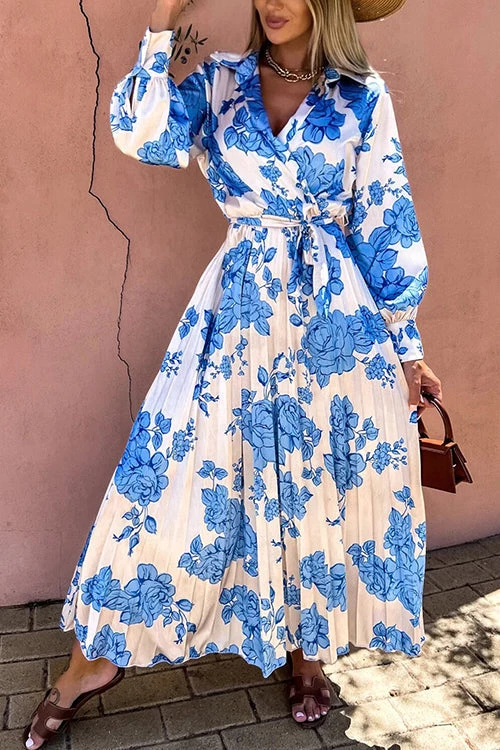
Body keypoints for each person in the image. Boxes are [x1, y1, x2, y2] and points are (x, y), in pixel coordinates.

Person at [23, 0, 443, 746]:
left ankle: (309, 653)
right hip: (236, 311)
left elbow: (386, 219)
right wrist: (161, 23)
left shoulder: (361, 95)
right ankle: (94, 660)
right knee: (173, 478)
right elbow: (141, 135)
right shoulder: (220, 81)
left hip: (334, 325)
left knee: (321, 484)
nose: (273, 1)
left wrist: (406, 346)